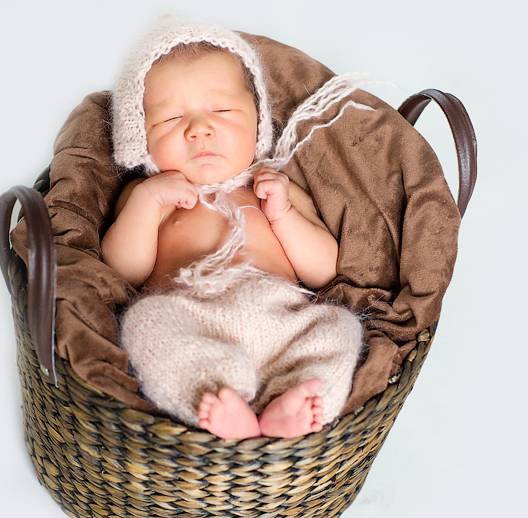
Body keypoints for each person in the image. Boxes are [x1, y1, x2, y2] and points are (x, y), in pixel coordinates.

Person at [101, 17, 363, 439]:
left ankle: (291, 402)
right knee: (143, 322)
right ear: (141, 137)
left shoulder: (273, 187)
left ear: (257, 121)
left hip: (282, 320)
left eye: (221, 110)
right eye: (171, 118)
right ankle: (216, 397)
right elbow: (122, 270)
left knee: (339, 327)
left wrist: (283, 214)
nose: (198, 129)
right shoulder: (149, 195)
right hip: (190, 318)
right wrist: (147, 204)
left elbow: (324, 270)